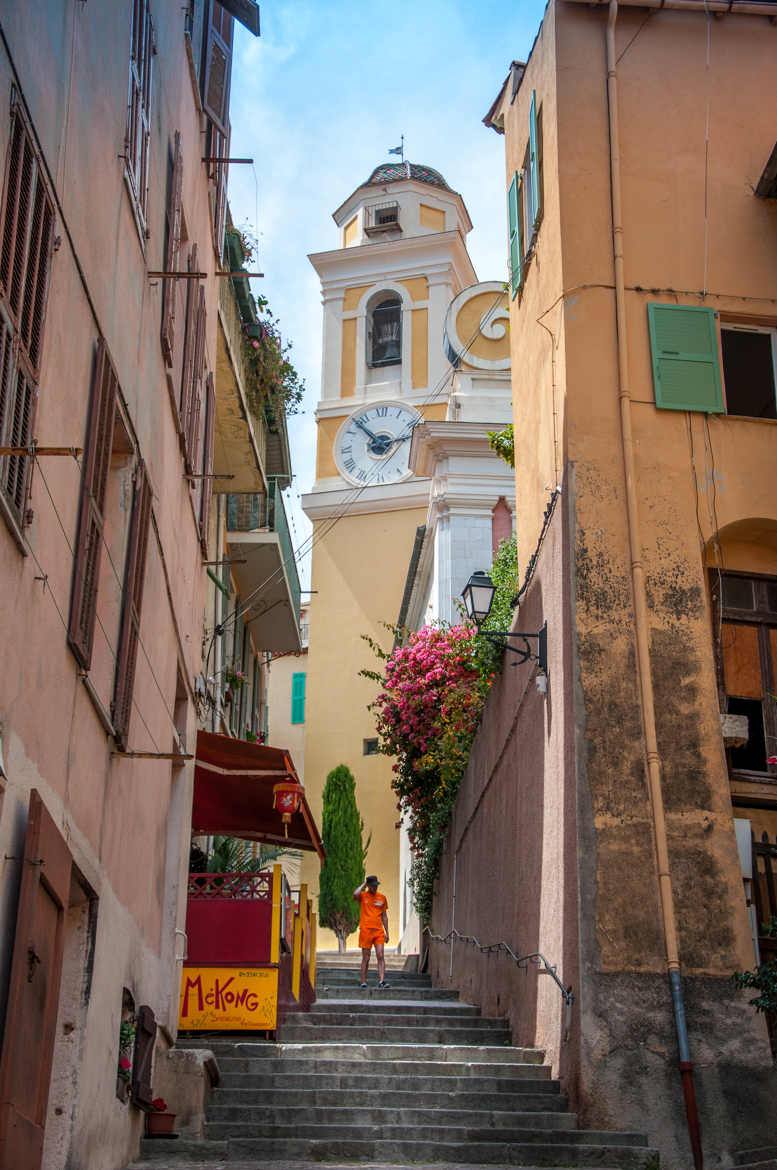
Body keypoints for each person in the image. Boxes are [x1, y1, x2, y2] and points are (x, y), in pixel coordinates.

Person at [353, 875, 389, 988]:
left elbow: (384, 917)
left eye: (376, 885)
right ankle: (363, 982)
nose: (375, 887)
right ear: (368, 886)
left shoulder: (382, 898)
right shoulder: (363, 896)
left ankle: (381, 981)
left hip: (378, 931)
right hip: (366, 931)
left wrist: (387, 932)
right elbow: (355, 894)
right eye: (373, 885)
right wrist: (364, 884)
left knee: (380, 955)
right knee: (366, 957)